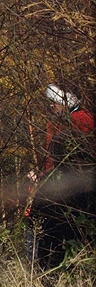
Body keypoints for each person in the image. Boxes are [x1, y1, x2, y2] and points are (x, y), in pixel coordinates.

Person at [26, 84, 95, 268]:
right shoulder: (59, 122)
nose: (51, 106)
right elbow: (50, 159)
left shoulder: (81, 120)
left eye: (54, 102)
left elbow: (72, 159)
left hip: (70, 191)